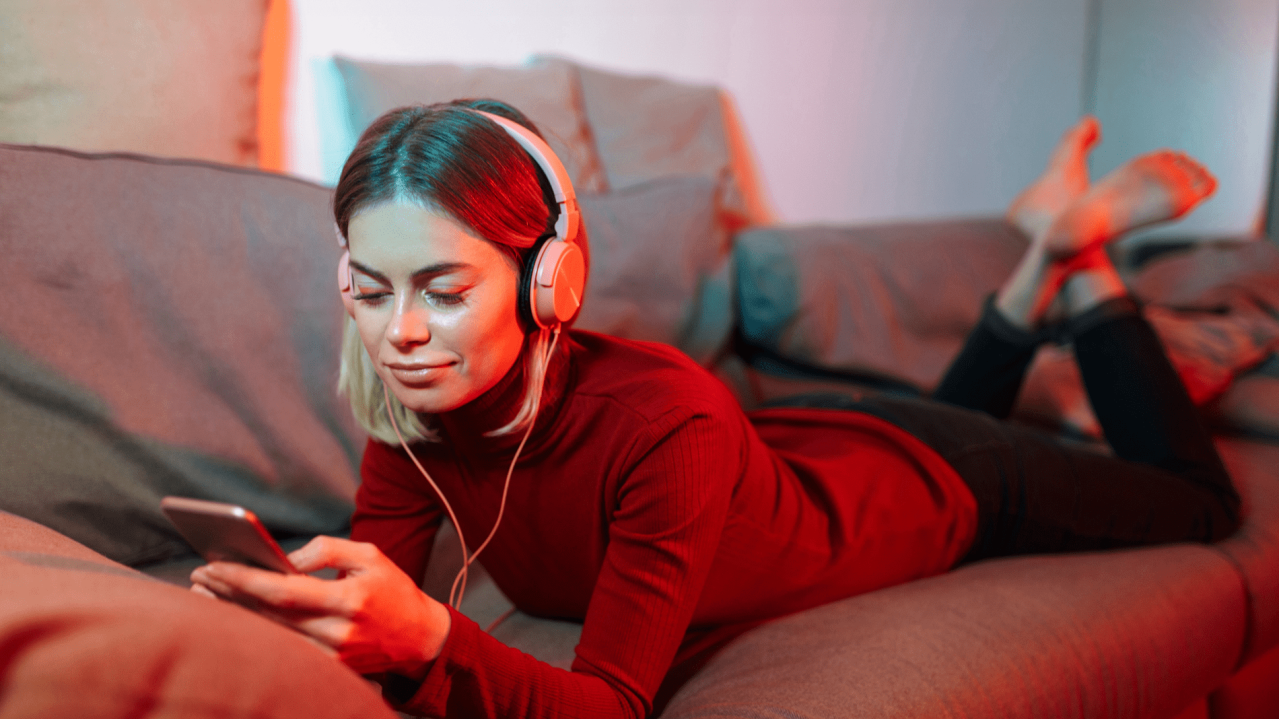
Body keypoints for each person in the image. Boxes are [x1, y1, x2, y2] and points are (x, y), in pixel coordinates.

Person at [190, 102, 1240, 719]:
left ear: (547, 280)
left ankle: (1081, 262)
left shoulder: (664, 422)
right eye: (369, 292)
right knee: (944, 418)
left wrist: (424, 636)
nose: (399, 333)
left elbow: (606, 701)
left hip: (935, 482)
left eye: (442, 289)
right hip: (805, 445)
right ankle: (1035, 263)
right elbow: (373, 593)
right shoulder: (407, 401)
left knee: (1197, 502)